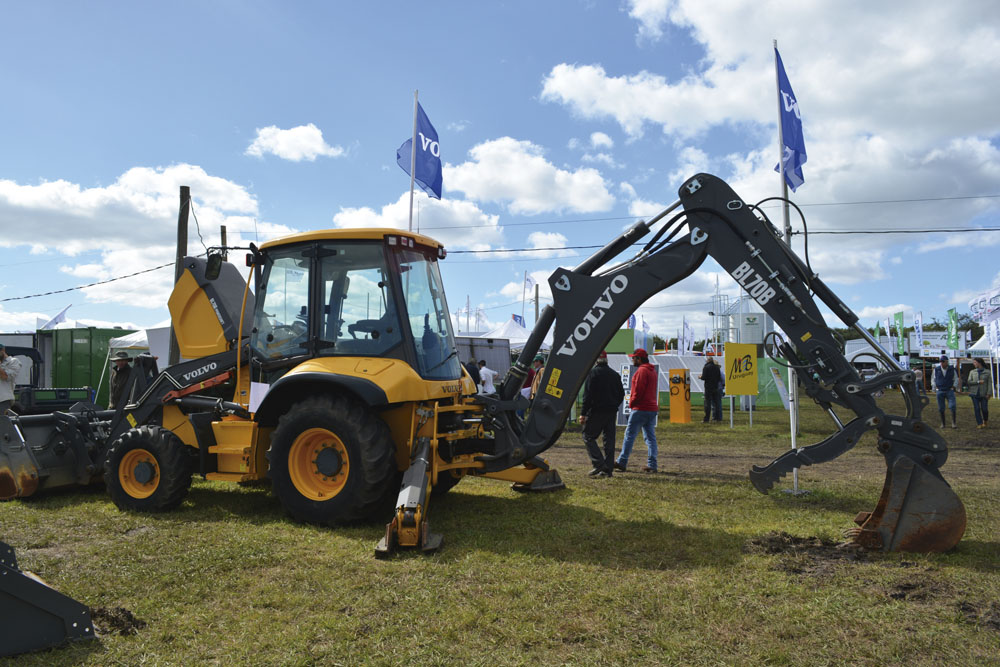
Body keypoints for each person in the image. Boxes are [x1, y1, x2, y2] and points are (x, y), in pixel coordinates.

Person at [579, 351, 625, 478]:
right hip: (611, 411)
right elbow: (621, 394)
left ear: (595, 360)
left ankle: (599, 464)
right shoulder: (615, 375)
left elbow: (587, 396)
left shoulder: (593, 373)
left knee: (588, 436)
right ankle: (608, 469)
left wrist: (583, 413)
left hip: (597, 411)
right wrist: (614, 405)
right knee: (609, 440)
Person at [614, 348, 659, 473]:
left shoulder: (641, 371)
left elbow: (637, 391)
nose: (632, 359)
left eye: (633, 358)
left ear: (639, 359)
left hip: (640, 409)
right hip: (651, 408)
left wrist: (631, 404)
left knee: (629, 436)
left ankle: (622, 461)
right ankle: (652, 464)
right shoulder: (652, 371)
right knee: (650, 438)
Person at [932, 355, 957, 429]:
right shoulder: (936, 369)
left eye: (943, 362)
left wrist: (954, 386)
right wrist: (934, 387)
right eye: (941, 362)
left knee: (952, 406)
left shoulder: (952, 369)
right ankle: (943, 423)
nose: (942, 363)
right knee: (941, 408)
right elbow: (933, 379)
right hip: (940, 390)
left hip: (949, 390)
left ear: (947, 362)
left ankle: (953, 423)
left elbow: (956, 378)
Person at [967, 357, 992, 429]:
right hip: (974, 393)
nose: (974, 364)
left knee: (984, 409)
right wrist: (977, 382)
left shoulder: (987, 372)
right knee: (977, 408)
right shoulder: (972, 372)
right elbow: (969, 382)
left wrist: (989, 393)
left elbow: (989, 383)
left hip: (984, 393)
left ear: (979, 363)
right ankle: (979, 423)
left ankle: (985, 420)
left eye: (975, 362)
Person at [0, 343, 23, 414]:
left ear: (3, 350)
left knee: (3, 423)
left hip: (3, 400)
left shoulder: (13, 361)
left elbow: (5, 376)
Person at [699, 357, 723, 423]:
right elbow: (719, 378)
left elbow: (704, 377)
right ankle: (718, 418)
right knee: (717, 403)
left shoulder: (706, 367)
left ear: (708, 360)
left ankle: (706, 419)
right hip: (715, 387)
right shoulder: (717, 368)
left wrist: (700, 377)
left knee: (708, 404)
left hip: (708, 388)